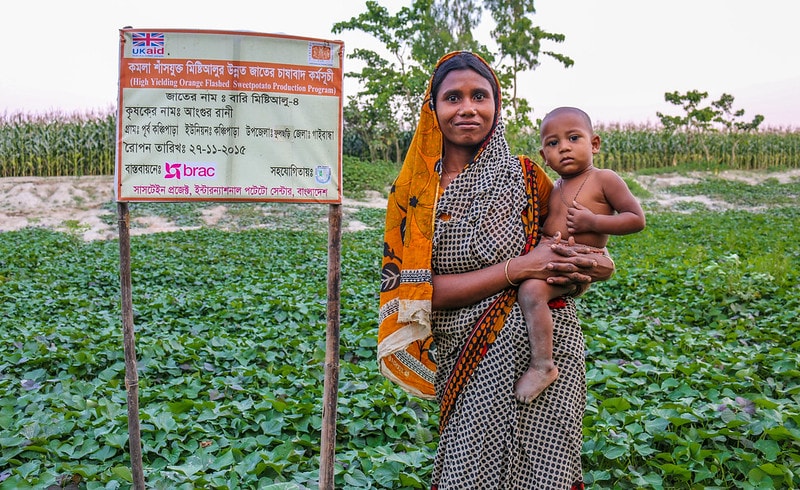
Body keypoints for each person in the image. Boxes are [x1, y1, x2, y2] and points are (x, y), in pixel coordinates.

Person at [377, 51, 615, 489]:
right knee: (467, 472)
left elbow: (572, 252)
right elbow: (418, 295)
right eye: (453, 97)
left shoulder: (527, 177)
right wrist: (519, 268)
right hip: (469, 359)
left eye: (479, 96)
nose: (467, 108)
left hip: (548, 356)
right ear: (433, 109)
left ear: (496, 104)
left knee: (546, 473)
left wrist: (595, 265)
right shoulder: (414, 195)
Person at [514, 107, 646, 404]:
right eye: (553, 143)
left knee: (531, 291)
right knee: (524, 287)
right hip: (554, 256)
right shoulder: (554, 187)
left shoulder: (604, 179)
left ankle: (543, 365)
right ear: (544, 156)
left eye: (573, 138)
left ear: (594, 143)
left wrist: (594, 222)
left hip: (583, 257)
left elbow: (636, 219)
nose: (564, 147)